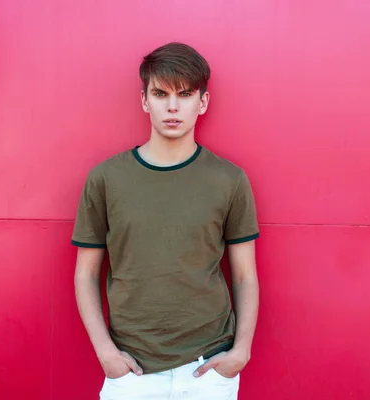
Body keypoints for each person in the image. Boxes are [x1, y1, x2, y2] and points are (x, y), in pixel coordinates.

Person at [71, 42, 259, 400]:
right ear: (145, 100)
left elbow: (245, 275)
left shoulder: (229, 180)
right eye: (160, 93)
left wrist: (241, 351)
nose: (172, 106)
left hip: (210, 368)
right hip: (132, 370)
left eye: (185, 94)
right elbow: (85, 273)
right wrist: (106, 354)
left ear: (202, 102)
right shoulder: (106, 179)